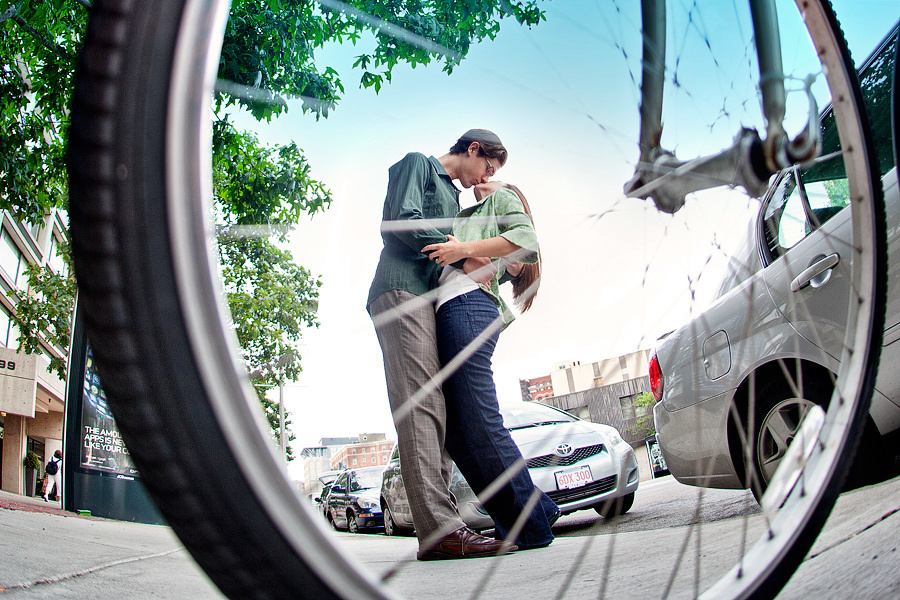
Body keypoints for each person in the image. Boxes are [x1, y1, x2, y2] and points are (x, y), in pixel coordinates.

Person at [367, 129, 516, 560]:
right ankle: (439, 533)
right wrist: (459, 250)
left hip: (429, 300)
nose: (484, 177)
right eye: (487, 167)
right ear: (473, 149)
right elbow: (400, 220)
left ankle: (448, 525)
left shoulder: (455, 199)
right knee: (422, 406)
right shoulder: (418, 164)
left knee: (443, 410)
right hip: (402, 290)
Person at [423, 181, 559, 550]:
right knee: (456, 432)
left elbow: (516, 249)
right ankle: (538, 509)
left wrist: (463, 251)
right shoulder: (475, 214)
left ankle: (530, 529)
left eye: (495, 171)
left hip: (468, 307)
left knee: (481, 422)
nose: (486, 176)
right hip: (454, 308)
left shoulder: (503, 197)